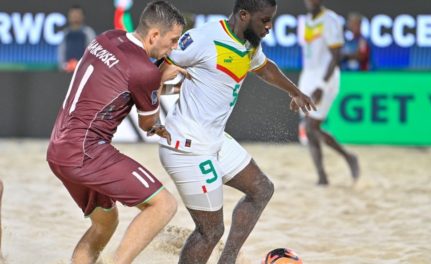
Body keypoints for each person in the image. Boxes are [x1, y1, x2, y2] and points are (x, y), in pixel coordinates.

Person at [158, 0, 316, 263]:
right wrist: (147, 103)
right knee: (211, 231)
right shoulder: (202, 38)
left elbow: (264, 67)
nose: (269, 26)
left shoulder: (249, 41)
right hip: (187, 146)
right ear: (243, 15)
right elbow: (158, 69)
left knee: (262, 189)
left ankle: (227, 260)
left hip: (214, 139)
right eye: (264, 20)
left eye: (271, 19)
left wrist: (295, 91)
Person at [46, 1, 187, 263]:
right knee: (164, 205)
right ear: (154, 35)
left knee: (104, 224)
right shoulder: (145, 72)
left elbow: (122, 83)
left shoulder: (107, 37)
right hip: (86, 152)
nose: (175, 47)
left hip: (58, 149)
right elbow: (147, 125)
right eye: (173, 40)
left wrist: (158, 82)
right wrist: (160, 80)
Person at [298, 0, 360, 185]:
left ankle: (346, 158)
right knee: (310, 130)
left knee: (311, 126)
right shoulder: (306, 20)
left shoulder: (330, 19)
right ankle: (323, 175)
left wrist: (322, 85)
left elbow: (336, 56)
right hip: (308, 76)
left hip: (326, 78)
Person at [58, 5, 96, 73]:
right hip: (67, 72)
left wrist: (79, 65)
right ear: (69, 17)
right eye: (73, 14)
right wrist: (66, 66)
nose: (75, 16)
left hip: (84, 73)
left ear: (83, 16)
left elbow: (93, 55)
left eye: (77, 14)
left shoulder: (88, 33)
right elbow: (61, 55)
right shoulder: (65, 34)